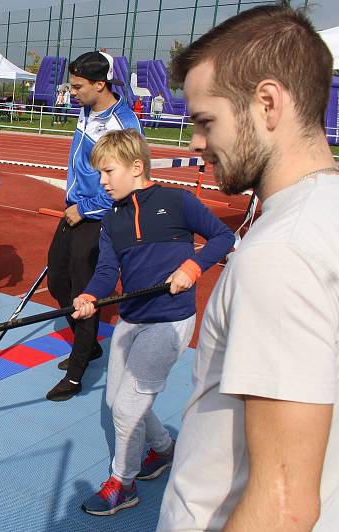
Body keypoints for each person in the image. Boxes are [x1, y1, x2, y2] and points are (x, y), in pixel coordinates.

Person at [157, 5, 339, 531]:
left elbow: (282, 506)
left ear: (266, 103)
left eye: (206, 121)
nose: (195, 143)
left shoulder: (279, 254)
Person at [73, 129, 233, 516]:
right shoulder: (112, 221)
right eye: (100, 174)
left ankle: (123, 484)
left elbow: (222, 236)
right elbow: (108, 270)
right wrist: (91, 296)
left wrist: (192, 268)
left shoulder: (177, 202)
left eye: (109, 172)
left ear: (137, 167)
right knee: (116, 402)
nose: (103, 181)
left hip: (169, 320)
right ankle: (162, 449)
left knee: (127, 410)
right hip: (131, 320)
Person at [45, 51, 143, 402]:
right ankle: (90, 348)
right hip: (73, 210)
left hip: (98, 218)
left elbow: (128, 182)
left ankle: (75, 374)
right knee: (57, 281)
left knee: (83, 294)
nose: (72, 92)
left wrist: (85, 208)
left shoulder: (124, 124)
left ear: (100, 84)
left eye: (78, 86)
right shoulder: (86, 111)